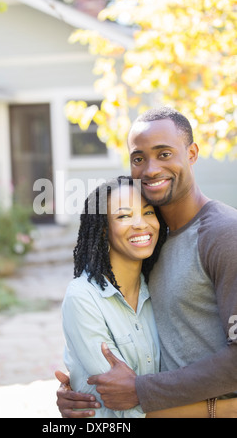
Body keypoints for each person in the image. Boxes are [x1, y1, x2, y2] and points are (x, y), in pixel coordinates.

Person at [56, 107, 237, 417]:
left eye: (164, 154)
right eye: (139, 158)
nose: (151, 169)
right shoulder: (153, 243)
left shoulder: (223, 234)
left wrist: (141, 391)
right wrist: (84, 394)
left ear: (192, 153)